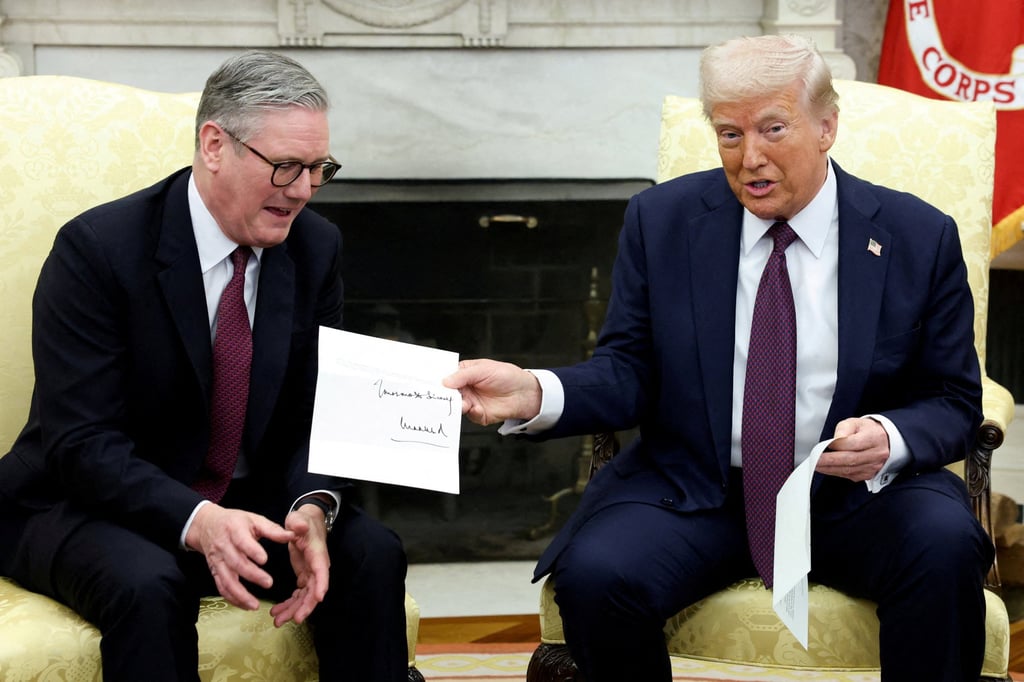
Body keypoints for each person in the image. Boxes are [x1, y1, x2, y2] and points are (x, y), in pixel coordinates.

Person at [444, 34, 994, 682]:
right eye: (729, 134)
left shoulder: (915, 236)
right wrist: (536, 392)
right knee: (597, 573)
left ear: (826, 127)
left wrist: (891, 435)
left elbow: (956, 400)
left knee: (944, 546)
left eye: (772, 129)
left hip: (857, 497)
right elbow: (629, 368)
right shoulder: (663, 221)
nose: (749, 157)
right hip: (700, 490)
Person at [0, 50, 409, 681]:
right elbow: (80, 443)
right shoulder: (97, 251)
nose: (302, 191)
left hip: (244, 502)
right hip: (83, 502)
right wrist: (198, 521)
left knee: (371, 554)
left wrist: (310, 507)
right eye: (285, 167)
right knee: (148, 583)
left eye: (317, 169)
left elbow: (317, 406)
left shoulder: (315, 247)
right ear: (215, 145)